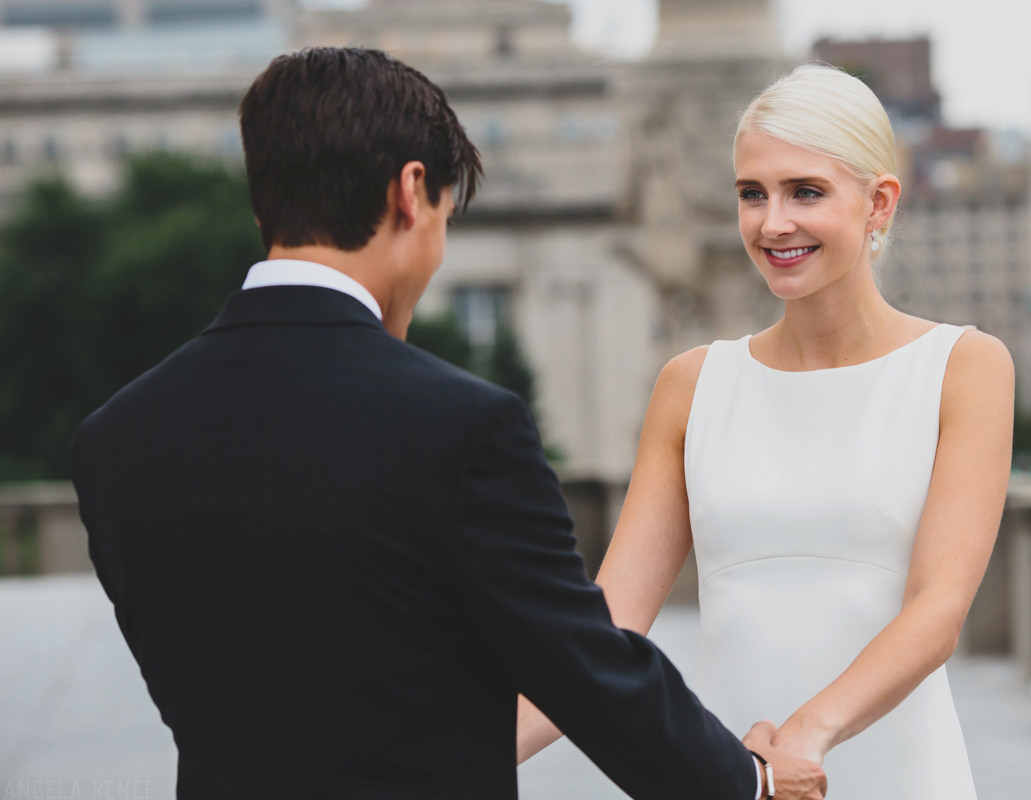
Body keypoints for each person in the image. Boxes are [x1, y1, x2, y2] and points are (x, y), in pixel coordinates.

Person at [70, 48, 827, 800]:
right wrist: (750, 782)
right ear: (410, 192)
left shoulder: (114, 439)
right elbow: (585, 668)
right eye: (444, 215)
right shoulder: (463, 429)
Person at [517, 64, 1014, 798]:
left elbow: (938, 609)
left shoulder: (964, 368)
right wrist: (454, 753)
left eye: (805, 192)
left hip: (893, 771)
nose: (772, 222)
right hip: (739, 779)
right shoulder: (691, 386)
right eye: (753, 194)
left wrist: (808, 734)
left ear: (879, 202)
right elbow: (608, 626)